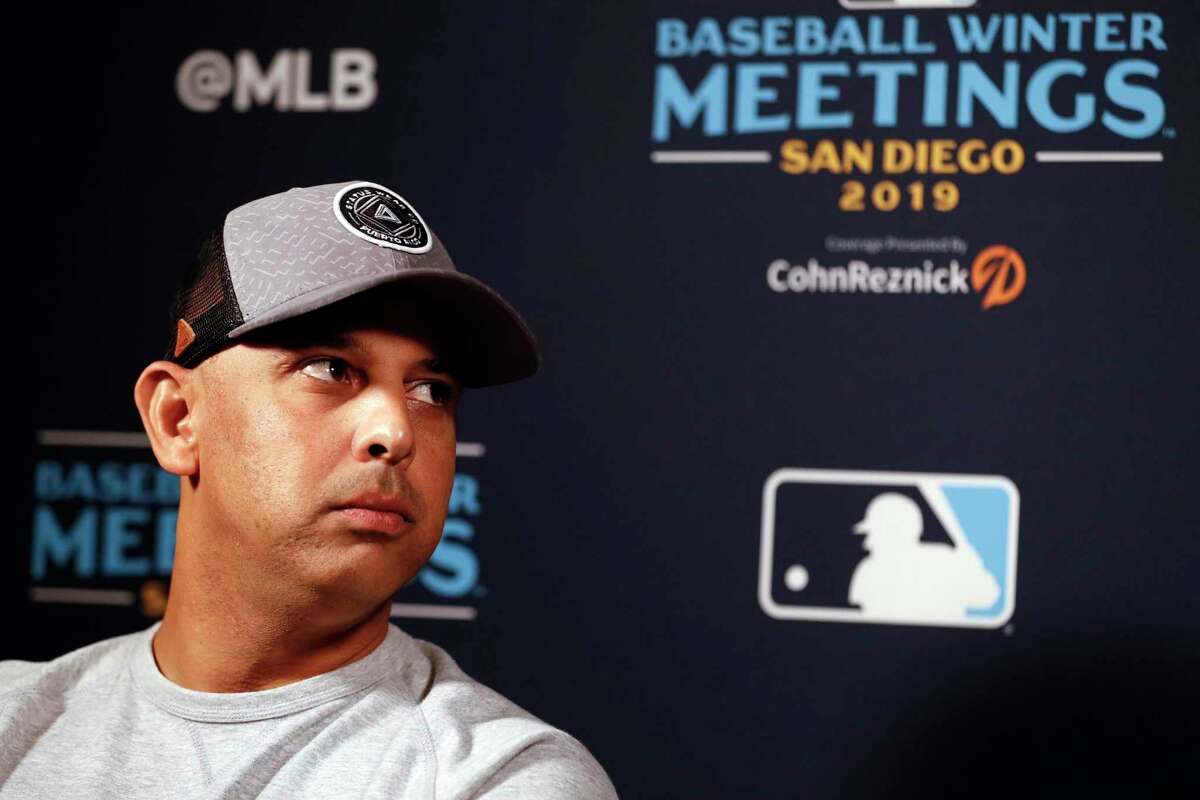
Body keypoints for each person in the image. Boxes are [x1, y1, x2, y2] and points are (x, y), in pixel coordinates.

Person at [0, 181, 619, 799]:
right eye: (329, 368)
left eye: (432, 390)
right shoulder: (13, 718)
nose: (395, 430)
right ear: (178, 420)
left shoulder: (497, 778)